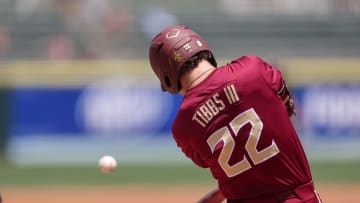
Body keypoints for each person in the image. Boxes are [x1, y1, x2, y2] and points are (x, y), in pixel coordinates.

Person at [149, 25, 322, 203]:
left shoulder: (183, 126)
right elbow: (286, 110)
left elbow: (221, 163)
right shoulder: (253, 69)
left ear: (167, 76)